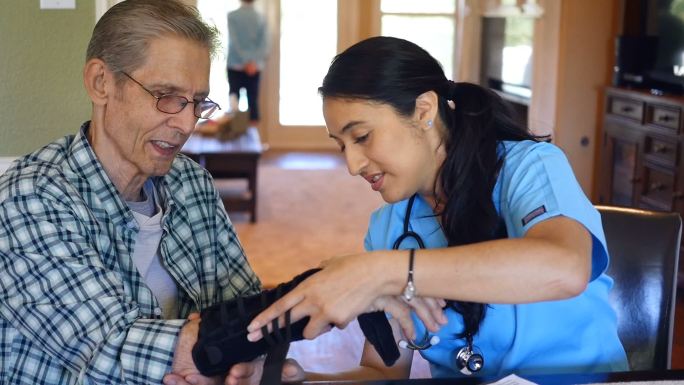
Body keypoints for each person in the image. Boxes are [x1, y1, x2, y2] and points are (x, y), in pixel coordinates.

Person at [242, 36, 629, 381]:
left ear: (424, 110)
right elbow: (383, 370)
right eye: (341, 145)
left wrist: (386, 272)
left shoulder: (529, 167)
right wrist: (309, 381)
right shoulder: (388, 228)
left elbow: (565, 267)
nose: (353, 165)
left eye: (362, 136)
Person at [0, 2, 295, 384]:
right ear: (100, 82)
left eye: (196, 102)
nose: (186, 123)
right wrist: (228, 357)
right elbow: (108, 348)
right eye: (166, 96)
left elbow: (247, 312)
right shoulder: (30, 199)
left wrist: (251, 361)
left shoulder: (192, 184)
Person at [227, 0, 269, 127]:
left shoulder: (232, 16)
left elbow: (234, 41)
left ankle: (234, 132)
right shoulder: (261, 17)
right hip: (254, 68)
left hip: (235, 65)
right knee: (253, 101)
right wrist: (252, 62)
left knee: (234, 97)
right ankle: (252, 139)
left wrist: (245, 61)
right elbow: (264, 44)